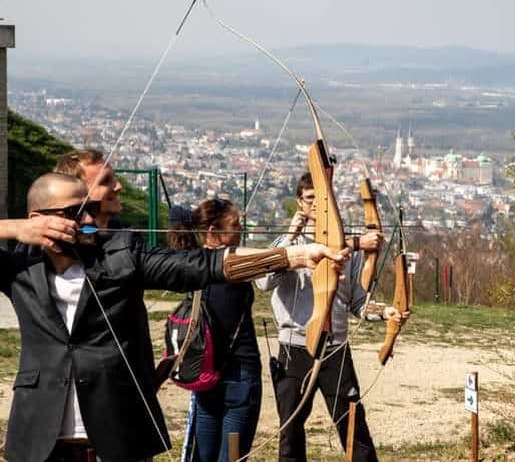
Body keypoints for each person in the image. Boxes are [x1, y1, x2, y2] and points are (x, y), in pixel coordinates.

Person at [0, 173, 349, 462]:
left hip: (113, 433)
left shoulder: (119, 254)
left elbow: (207, 264)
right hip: (38, 439)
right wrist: (14, 229)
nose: (90, 219)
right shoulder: (19, 264)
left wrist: (291, 255)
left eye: (91, 208)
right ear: (39, 219)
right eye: (77, 212)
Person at [255, 172, 409, 462]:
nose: (317, 205)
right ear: (300, 202)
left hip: (336, 348)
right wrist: (291, 235)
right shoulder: (286, 243)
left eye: (323, 199)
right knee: (290, 430)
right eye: (310, 199)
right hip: (295, 347)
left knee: (353, 426)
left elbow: (358, 303)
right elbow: (263, 283)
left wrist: (386, 312)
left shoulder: (343, 249)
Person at [168, 200, 262, 462]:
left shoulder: (190, 261)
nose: (241, 229)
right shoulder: (234, 264)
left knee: (204, 457)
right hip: (239, 377)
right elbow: (273, 260)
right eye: (235, 225)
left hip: (205, 374)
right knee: (231, 457)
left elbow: (176, 213)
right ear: (212, 230)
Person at [53, 149, 123, 229]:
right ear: (76, 192)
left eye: (115, 177)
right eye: (105, 181)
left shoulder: (125, 232)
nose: (119, 186)